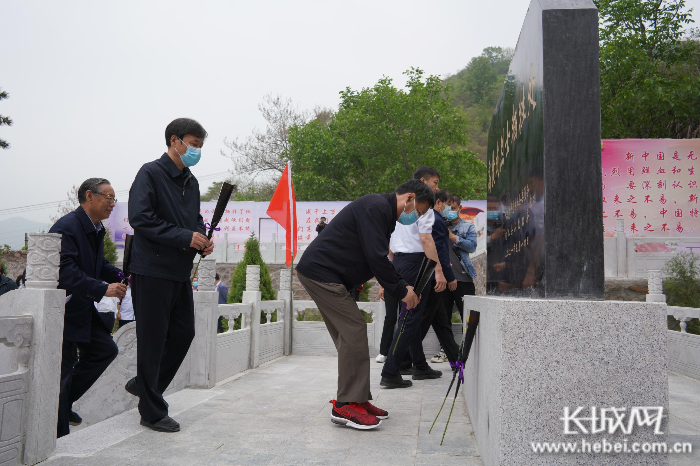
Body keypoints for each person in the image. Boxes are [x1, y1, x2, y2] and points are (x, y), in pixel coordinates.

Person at [295, 179, 429, 430]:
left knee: (350, 336)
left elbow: (379, 256)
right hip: (321, 273)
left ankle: (357, 399)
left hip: (330, 275)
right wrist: (402, 291)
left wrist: (402, 285)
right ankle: (345, 404)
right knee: (355, 329)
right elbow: (376, 257)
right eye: (418, 211)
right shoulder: (376, 207)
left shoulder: (383, 213)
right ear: (410, 197)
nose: (416, 217)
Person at [126, 118, 213, 433]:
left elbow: (195, 219)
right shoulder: (150, 173)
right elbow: (140, 218)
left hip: (178, 271)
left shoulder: (191, 180)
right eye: (194, 144)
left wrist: (201, 238)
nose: (197, 150)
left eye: (201, 146)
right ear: (175, 141)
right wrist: (184, 237)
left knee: (184, 332)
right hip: (151, 268)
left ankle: (145, 384)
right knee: (152, 340)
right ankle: (151, 411)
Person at [49, 177, 126, 438]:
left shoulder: (95, 227)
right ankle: (57, 435)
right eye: (109, 197)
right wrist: (103, 289)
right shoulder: (68, 227)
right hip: (64, 309)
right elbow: (65, 272)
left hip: (82, 308)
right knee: (63, 371)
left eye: (114, 199)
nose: (112, 203)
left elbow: (97, 264)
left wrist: (123, 276)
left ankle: (64, 402)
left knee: (105, 350)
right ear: (89, 196)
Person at [378, 167, 446, 387]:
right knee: (409, 319)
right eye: (434, 183)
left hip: (398, 262)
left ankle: (419, 365)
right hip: (416, 263)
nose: (436, 188)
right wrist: (437, 270)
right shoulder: (423, 208)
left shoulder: (398, 205)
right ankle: (390, 372)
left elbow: (388, 242)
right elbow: (426, 240)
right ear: (423, 181)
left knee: (409, 317)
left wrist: (388, 271)